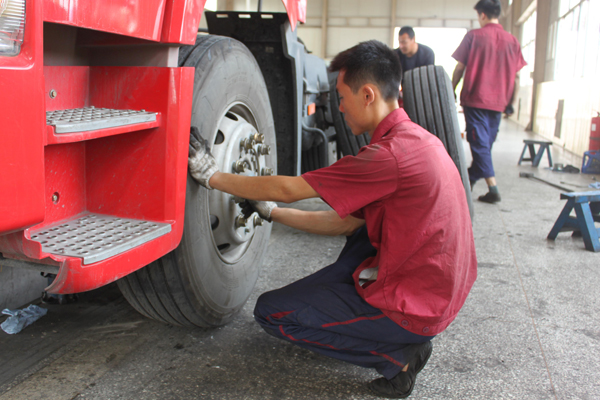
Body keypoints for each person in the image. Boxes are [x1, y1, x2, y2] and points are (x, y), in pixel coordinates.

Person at [188, 40, 477, 398]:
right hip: (438, 287)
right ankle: (373, 320)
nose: (339, 108)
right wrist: (271, 213)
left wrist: (213, 176)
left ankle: (396, 354)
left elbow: (290, 188)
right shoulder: (417, 139)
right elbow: (343, 223)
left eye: (342, 97)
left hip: (418, 306)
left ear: (368, 95)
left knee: (271, 313)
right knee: (359, 230)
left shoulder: (387, 157)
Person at [452, 0, 526, 203]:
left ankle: (493, 189)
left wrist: (452, 89)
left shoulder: (473, 36)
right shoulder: (512, 41)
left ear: (482, 15)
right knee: (484, 144)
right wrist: (511, 102)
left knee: (480, 145)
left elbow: (459, 67)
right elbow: (517, 77)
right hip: (499, 102)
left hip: (475, 99)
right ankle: (469, 179)